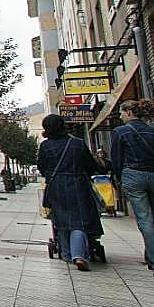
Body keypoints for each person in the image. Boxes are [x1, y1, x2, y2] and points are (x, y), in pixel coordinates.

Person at [110, 99, 154, 279]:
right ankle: (152, 257)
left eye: (122, 113)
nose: (121, 116)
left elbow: (116, 160)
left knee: (145, 220)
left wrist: (118, 180)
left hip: (133, 175)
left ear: (129, 112)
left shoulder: (119, 132)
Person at [38, 114, 104, 271]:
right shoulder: (78, 143)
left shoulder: (45, 146)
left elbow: (41, 167)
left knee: (60, 219)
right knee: (79, 220)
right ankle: (79, 255)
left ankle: (67, 253)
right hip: (78, 184)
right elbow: (90, 165)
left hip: (56, 185)